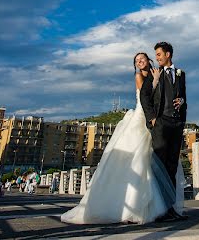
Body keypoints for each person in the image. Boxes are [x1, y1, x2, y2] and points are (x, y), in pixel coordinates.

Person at [61, 52, 184, 225]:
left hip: (157, 118)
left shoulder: (157, 71)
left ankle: (162, 207)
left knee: (155, 161)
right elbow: (145, 96)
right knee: (138, 160)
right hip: (142, 118)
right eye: (136, 61)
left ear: (149, 60)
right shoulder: (139, 76)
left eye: (142, 59)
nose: (139, 62)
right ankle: (133, 207)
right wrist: (156, 81)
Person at [140, 41, 187, 221]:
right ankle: (159, 210)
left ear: (168, 55)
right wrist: (152, 118)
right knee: (159, 166)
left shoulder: (181, 74)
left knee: (172, 167)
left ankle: (171, 209)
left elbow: (183, 96)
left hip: (176, 124)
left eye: (159, 54)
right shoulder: (154, 73)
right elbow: (145, 96)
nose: (157, 58)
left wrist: (181, 101)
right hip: (160, 123)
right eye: (156, 55)